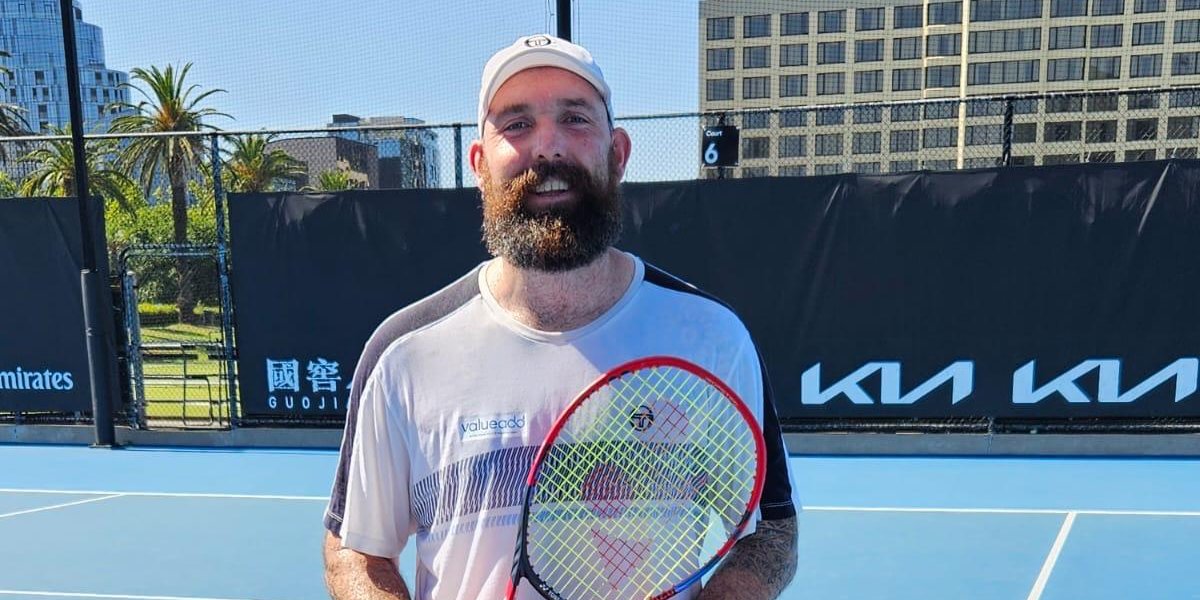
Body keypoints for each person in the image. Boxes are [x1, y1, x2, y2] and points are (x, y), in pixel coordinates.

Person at [322, 34, 798, 599]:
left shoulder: (712, 338)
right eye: (516, 124)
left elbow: (772, 531)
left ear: (617, 154)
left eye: (574, 119)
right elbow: (356, 551)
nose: (547, 147)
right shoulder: (402, 352)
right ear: (479, 165)